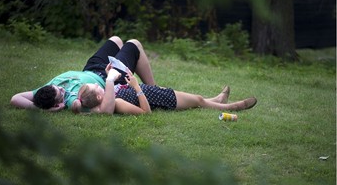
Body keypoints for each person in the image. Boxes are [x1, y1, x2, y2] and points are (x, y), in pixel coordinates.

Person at [10, 36, 155, 113]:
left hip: (91, 68)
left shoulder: (46, 91)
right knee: (134, 44)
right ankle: (152, 90)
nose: (61, 88)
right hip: (109, 76)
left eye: (57, 86)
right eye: (60, 92)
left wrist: (37, 108)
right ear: (58, 104)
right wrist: (47, 111)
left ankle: (148, 91)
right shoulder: (72, 100)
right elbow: (104, 111)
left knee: (116, 40)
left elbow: (15, 98)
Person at [72, 68, 257, 115]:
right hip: (162, 100)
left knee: (199, 99)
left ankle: (217, 99)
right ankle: (233, 107)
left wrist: (109, 74)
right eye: (97, 87)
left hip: (155, 92)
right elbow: (146, 113)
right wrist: (136, 87)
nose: (100, 84)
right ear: (98, 96)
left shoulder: (109, 96)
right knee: (198, 100)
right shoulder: (116, 103)